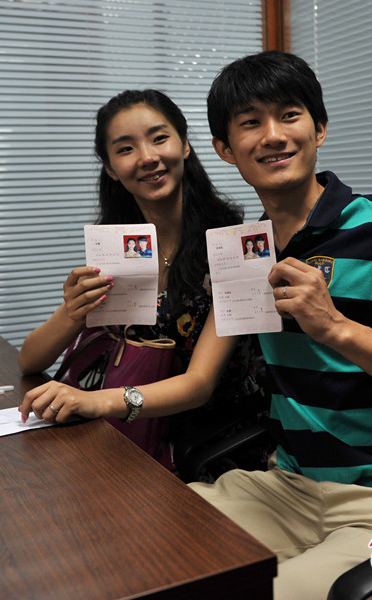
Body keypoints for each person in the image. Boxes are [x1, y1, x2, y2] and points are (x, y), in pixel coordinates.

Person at [189, 50, 372, 599]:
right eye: (250, 122)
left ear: (320, 128)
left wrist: (336, 327)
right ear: (224, 149)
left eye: (290, 115)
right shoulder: (246, 251)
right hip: (288, 486)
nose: (273, 136)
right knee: (150, 547)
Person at [17, 89, 262, 472]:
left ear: (184, 145)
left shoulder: (232, 247)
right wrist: (73, 311)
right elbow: (29, 360)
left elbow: (200, 384)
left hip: (208, 448)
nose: (147, 157)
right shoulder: (118, 248)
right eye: (126, 149)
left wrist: (96, 401)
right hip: (130, 437)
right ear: (111, 168)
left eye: (159, 138)